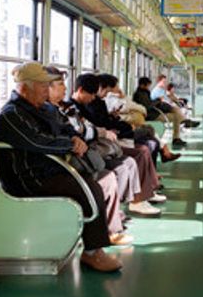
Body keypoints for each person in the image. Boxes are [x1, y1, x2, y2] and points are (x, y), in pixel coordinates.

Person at [0, 62, 121, 272]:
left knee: (101, 180)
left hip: (53, 169)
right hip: (32, 177)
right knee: (90, 189)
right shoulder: (11, 115)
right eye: (42, 86)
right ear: (24, 88)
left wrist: (75, 138)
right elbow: (37, 142)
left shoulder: (47, 109)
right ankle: (92, 253)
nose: (46, 91)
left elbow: (66, 127)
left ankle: (97, 238)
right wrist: (70, 144)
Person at [44, 69, 134, 244]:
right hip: (61, 163)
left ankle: (112, 225)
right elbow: (73, 132)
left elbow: (76, 129)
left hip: (78, 154)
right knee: (107, 178)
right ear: (45, 88)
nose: (65, 88)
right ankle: (101, 240)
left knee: (112, 172)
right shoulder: (48, 111)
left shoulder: (63, 108)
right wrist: (74, 140)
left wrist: (76, 136)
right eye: (61, 84)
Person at [68, 73, 164, 217]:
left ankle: (147, 190)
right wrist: (108, 130)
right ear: (81, 90)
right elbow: (94, 126)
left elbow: (99, 123)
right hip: (100, 145)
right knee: (143, 150)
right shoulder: (76, 108)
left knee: (148, 144)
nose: (94, 97)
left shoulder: (88, 104)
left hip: (106, 141)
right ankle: (138, 199)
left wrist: (114, 120)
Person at [134, 76, 187, 146]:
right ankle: (177, 136)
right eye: (147, 86)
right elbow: (148, 106)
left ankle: (183, 123)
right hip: (151, 115)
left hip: (153, 112)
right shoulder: (140, 94)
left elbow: (150, 103)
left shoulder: (144, 93)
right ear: (142, 85)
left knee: (176, 112)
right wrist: (158, 101)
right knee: (176, 117)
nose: (148, 87)